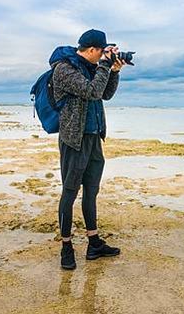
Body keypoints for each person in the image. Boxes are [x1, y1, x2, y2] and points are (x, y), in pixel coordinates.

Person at [52, 29, 126, 270]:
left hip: (94, 138)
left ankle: (93, 243)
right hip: (74, 140)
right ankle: (66, 246)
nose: (103, 56)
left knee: (91, 192)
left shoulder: (94, 67)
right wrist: (104, 66)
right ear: (93, 49)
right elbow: (91, 91)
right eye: (102, 52)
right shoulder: (64, 69)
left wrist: (113, 71)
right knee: (70, 193)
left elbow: (105, 94)